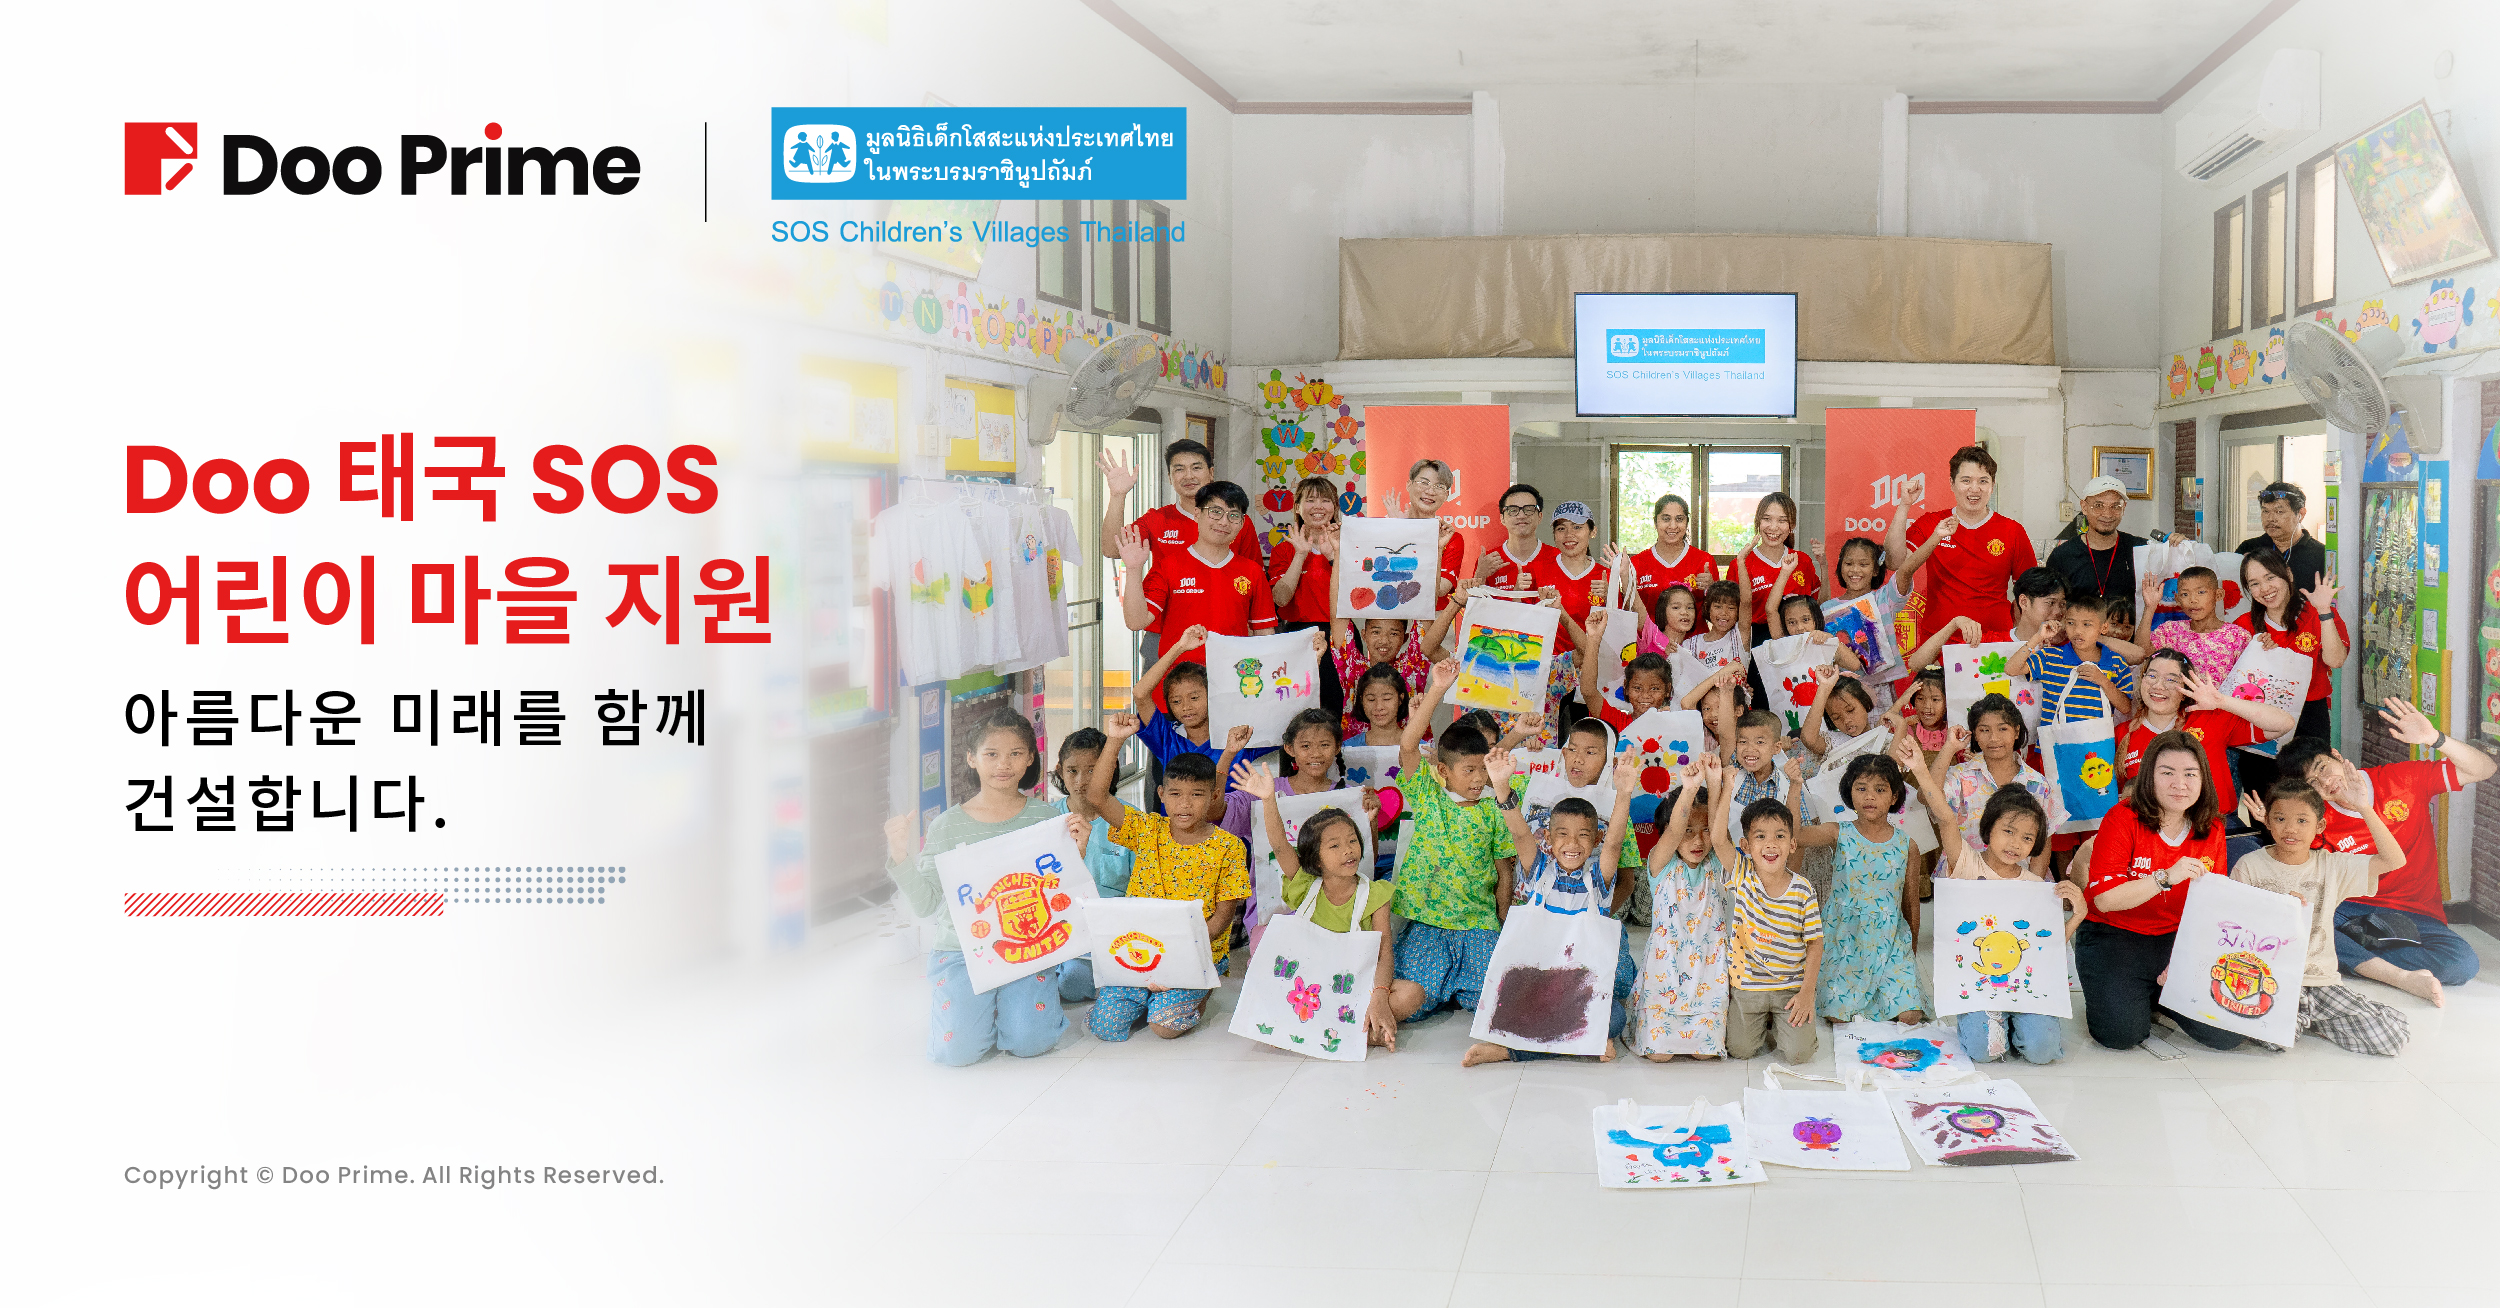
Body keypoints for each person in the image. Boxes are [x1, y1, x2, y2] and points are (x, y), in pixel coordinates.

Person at [883, 709, 1094, 1066]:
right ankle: (982, 1010)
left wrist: (1079, 852)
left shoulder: (1047, 819)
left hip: (1029, 947)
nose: (1004, 764)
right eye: (991, 754)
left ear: (1030, 757)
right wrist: (900, 855)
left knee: (1031, 1042)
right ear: (971, 758)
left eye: (1015, 753)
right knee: (957, 1052)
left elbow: (1062, 895)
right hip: (962, 950)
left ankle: (1007, 1009)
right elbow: (926, 905)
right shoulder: (946, 826)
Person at [2265, 702, 2495, 992]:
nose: (2326, 782)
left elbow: (2485, 769)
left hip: (2416, 912)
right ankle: (2391, 972)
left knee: (2461, 964)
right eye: (2313, 782)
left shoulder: (2402, 779)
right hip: (2352, 911)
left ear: (2336, 755)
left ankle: (2349, 954)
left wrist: (2434, 738)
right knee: (2301, 913)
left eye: (2324, 768)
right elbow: (2304, 879)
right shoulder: (2317, 819)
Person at [1900, 739, 2083, 1064]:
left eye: (2027, 838)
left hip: (2022, 986)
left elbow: (2045, 949)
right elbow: (1945, 817)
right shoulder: (1966, 865)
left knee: (2042, 1052)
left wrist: (2077, 916)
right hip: (1981, 984)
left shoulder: (2034, 886)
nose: (2016, 844)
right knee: (1984, 1052)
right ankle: (1990, 1019)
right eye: (2008, 831)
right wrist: (1919, 770)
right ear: (1988, 828)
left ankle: (2016, 1023)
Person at [1463, 751, 1641, 1065]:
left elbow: (1614, 844)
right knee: (1494, 1002)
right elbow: (1520, 833)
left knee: (1614, 1017)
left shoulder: (1597, 879)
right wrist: (1501, 787)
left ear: (1596, 839)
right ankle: (1588, 1042)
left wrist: (1624, 792)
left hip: (1580, 991)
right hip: (1538, 986)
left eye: (1583, 835)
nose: (1572, 844)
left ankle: (1511, 1051)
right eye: (1562, 834)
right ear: (1547, 837)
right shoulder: (1540, 873)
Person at [2076, 730, 2245, 1051]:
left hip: (2175, 937)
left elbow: (2210, 906)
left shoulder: (2212, 827)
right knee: (2120, 1035)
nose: (2179, 784)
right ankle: (2144, 993)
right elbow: (2105, 900)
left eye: (2190, 774)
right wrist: (2164, 878)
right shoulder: (2121, 818)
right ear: (2149, 777)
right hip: (2115, 934)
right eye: (2167, 773)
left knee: (2227, 1035)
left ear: (2203, 779)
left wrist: (2187, 958)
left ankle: (2156, 995)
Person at [1087, 715, 1252, 1041]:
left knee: (1164, 1026)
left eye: (1197, 794)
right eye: (1175, 794)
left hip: (1193, 953)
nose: (1185, 804)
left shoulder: (1228, 847)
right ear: (1161, 794)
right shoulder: (1148, 829)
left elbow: (1221, 920)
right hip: (1137, 950)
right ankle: (1144, 995)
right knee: (1106, 1026)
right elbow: (1097, 797)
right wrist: (1115, 740)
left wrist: (1172, 961)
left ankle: (1201, 991)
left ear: (1213, 796)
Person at [2230, 779, 2412, 1055]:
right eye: (2280, 819)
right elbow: (2235, 926)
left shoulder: (2332, 865)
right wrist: (2278, 909)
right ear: (2266, 821)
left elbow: (2394, 860)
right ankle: (2306, 1018)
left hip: (2319, 980)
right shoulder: (2250, 865)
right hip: (2271, 980)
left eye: (2302, 820)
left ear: (2320, 825)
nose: (2290, 829)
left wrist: (2364, 808)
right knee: (2275, 1041)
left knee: (2389, 1038)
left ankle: (2311, 1016)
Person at [1384, 659, 1520, 1023]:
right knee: (1408, 1001)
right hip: (1428, 922)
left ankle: (1459, 989)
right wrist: (1438, 688)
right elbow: (1408, 746)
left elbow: (1504, 870)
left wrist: (1503, 921)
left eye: (1483, 769)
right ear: (1443, 770)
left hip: (1478, 923)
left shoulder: (1495, 807)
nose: (1478, 779)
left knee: (1501, 1005)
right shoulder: (1428, 795)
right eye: (1469, 770)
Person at [1232, 760, 1400, 1049]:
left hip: (1352, 984)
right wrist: (1269, 799)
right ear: (1315, 859)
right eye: (1334, 845)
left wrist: (1380, 996)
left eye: (1352, 841)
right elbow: (1280, 845)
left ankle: (1331, 1026)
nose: (1348, 850)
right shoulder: (1305, 886)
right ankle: (1352, 1029)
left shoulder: (1376, 893)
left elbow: (1384, 954)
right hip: (1309, 984)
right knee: (1263, 985)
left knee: (1411, 994)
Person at [1705, 756, 1824, 1065]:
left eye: (1780, 836)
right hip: (1748, 987)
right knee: (1740, 1050)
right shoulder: (1741, 873)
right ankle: (1766, 1021)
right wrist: (1727, 787)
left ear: (1792, 845)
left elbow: (1815, 943)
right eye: (1760, 837)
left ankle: (1780, 1021)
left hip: (1790, 988)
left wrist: (1807, 993)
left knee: (1799, 1055)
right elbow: (1717, 838)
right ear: (1746, 845)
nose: (1771, 845)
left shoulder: (1802, 889)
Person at [1794, 751, 1923, 1025]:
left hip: (1890, 940)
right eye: (1861, 788)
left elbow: (1911, 902)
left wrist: (1909, 954)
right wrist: (1795, 787)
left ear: (1895, 797)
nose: (1869, 797)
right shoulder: (1837, 832)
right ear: (1849, 793)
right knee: (1838, 1017)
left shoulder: (1907, 845)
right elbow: (1795, 836)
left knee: (1910, 1016)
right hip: (1845, 939)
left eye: (1880, 790)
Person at [1099, 440, 1256, 658]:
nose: (1188, 476)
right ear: (1170, 477)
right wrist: (1118, 495)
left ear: (1211, 473)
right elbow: (1112, 549)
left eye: (1196, 467)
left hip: (1224, 634)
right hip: (1163, 634)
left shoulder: (1235, 522)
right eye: (1179, 469)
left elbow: (1254, 583)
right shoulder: (1157, 520)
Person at [1628, 768, 1733, 1061]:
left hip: (1708, 971)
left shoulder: (1717, 862)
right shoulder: (1660, 863)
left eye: (1705, 830)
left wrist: (1716, 785)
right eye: (1689, 830)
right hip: (1665, 971)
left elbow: (1720, 834)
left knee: (1704, 1054)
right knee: (1659, 1055)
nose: (1698, 840)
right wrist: (1689, 788)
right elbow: (1674, 831)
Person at [1888, 444, 2039, 636]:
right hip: (1939, 640)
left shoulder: (2013, 531)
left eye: (1983, 481)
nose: (1974, 489)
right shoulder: (1932, 523)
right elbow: (1894, 562)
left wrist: (2019, 640)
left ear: (1992, 485)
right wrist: (1904, 505)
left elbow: (2028, 595)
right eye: (1966, 480)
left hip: (1994, 640)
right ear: (1952, 483)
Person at [1045, 727, 1137, 1004]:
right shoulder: (1046, 821)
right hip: (1062, 929)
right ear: (1060, 771)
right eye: (1072, 771)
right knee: (1068, 980)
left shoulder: (1131, 821)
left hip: (1115, 931)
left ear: (1111, 768)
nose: (1081, 781)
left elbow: (1142, 892)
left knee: (1077, 980)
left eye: (1092, 770)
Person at [1120, 481, 1277, 641]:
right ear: (1197, 514)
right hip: (1177, 658)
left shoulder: (1253, 572)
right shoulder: (1168, 566)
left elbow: (1265, 635)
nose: (1224, 522)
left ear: (1242, 523)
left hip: (1233, 658)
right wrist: (1133, 570)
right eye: (1216, 512)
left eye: (1234, 515)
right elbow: (1136, 622)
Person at [1129, 625, 1278, 793]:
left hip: (1231, 811)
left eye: (1194, 698)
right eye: (1176, 701)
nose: (1186, 707)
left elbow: (1283, 726)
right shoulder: (1167, 739)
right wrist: (1179, 647)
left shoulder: (1238, 737)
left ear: (1211, 696)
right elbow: (1140, 694)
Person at [1934, 693, 2059, 879]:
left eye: (2002, 729)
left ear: (2016, 731)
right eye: (1984, 730)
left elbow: (2043, 843)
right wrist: (1949, 748)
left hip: (2019, 882)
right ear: (1974, 734)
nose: (1994, 738)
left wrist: (2032, 887)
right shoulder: (1960, 775)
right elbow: (1926, 796)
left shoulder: (2037, 783)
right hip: (1965, 879)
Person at [2236, 549, 2344, 743]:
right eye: (2254, 584)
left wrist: (2324, 611)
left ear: (2288, 574)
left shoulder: (2317, 614)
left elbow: (2335, 661)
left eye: (2270, 577)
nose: (2265, 588)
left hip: (2310, 714)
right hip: (2260, 715)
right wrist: (2256, 654)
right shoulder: (2243, 625)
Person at [1731, 492, 1822, 707]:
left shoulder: (1802, 560)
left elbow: (1817, 605)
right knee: (1762, 707)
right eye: (1767, 519)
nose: (1773, 527)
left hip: (1797, 640)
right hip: (1758, 643)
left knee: (1799, 705)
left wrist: (1824, 565)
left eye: (1782, 521)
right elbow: (1737, 614)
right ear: (1758, 521)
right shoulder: (1742, 563)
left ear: (1792, 525)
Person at [1267, 475, 1345, 717]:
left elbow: (1358, 597)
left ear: (1335, 507)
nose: (1318, 506)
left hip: (1340, 635)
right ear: (1298, 508)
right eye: (1310, 500)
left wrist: (1333, 557)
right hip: (1296, 637)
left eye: (1325, 500)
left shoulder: (1348, 545)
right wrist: (1300, 554)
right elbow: (1281, 599)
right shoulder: (1284, 549)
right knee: (1295, 711)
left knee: (1338, 710)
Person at [2024, 589, 2134, 725]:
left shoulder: (2117, 662)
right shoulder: (2050, 656)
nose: (2078, 631)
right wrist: (2037, 637)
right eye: (2071, 623)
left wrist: (2103, 681)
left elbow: (2126, 708)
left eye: (2087, 624)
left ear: (2103, 628)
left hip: (2096, 738)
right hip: (2057, 738)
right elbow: (2011, 669)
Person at [2045, 475, 2146, 609]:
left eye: (2115, 506)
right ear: (2084, 507)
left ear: (2124, 508)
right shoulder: (2063, 556)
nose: (2107, 514)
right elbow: (2051, 606)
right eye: (2098, 506)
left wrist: (2173, 546)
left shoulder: (2141, 549)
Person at [2145, 565, 2249, 685]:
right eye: (2185, 594)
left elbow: (2247, 683)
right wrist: (2149, 608)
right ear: (2177, 599)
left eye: (2201, 592)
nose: (2193, 600)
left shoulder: (2238, 637)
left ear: (2218, 595)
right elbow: (2143, 653)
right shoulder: (2171, 631)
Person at [1621, 492, 1720, 619]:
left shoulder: (1704, 561)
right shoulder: (1636, 563)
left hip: (1695, 632)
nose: (1673, 526)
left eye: (1679, 519)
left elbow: (1717, 614)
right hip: (1649, 632)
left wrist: (1710, 589)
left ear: (1687, 522)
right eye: (1666, 519)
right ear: (1655, 522)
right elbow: (1627, 614)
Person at [2235, 481, 2328, 595]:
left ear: (2301, 514)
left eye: (2279, 512)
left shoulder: (2321, 555)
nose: (2270, 518)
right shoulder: (2249, 548)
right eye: (2265, 511)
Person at [1400, 458, 1470, 603]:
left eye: (1439, 486)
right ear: (1409, 485)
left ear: (1446, 495)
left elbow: (1440, 590)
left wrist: (1437, 547)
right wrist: (1397, 529)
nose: (1430, 491)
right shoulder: (1387, 528)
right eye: (1424, 482)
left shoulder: (1452, 539)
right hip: (1390, 613)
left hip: (1434, 615)